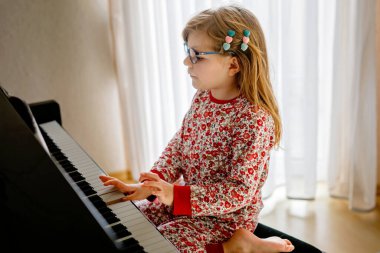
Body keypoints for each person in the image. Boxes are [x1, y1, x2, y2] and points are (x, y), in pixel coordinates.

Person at [100, 4, 298, 253]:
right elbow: (180, 144)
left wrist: (176, 196)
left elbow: (239, 191)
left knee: (164, 245)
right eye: (187, 52)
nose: (186, 62)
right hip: (185, 198)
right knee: (133, 224)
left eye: (197, 56)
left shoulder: (254, 119)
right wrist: (153, 185)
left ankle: (238, 246)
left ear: (233, 65)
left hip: (224, 219)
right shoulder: (204, 96)